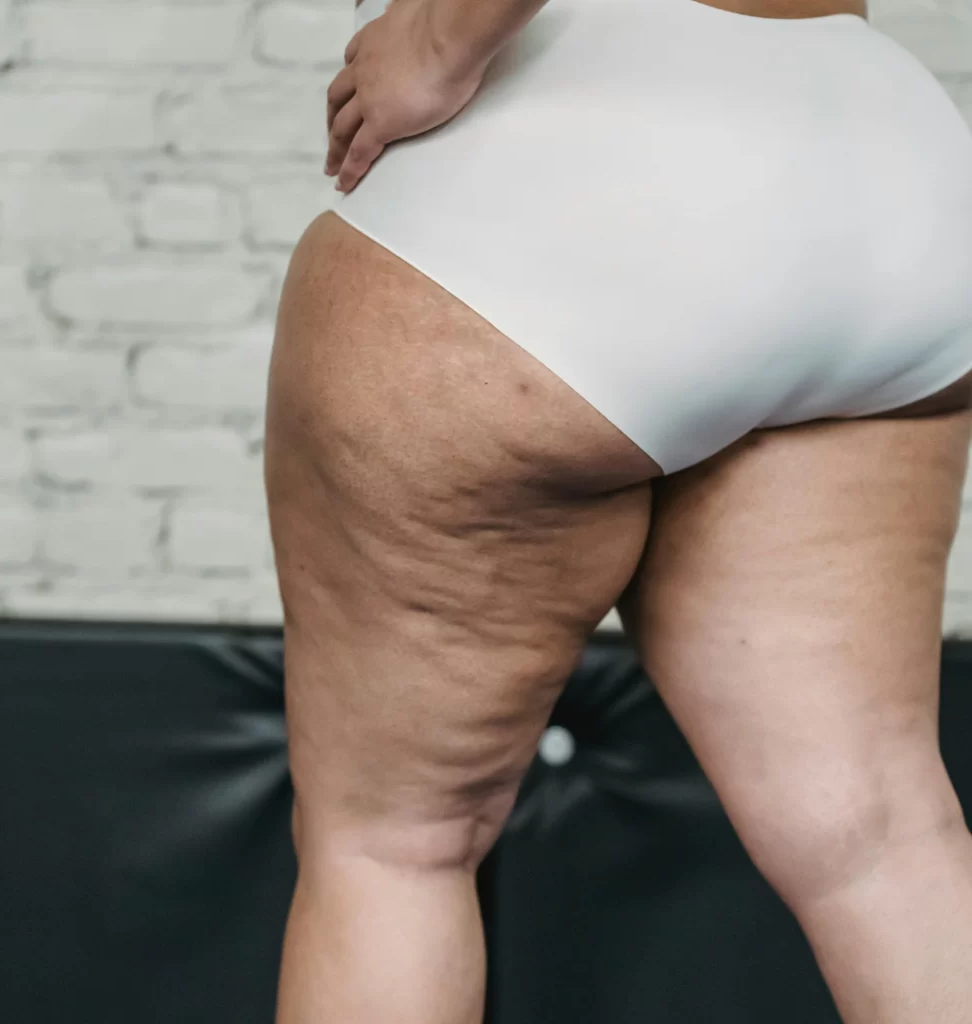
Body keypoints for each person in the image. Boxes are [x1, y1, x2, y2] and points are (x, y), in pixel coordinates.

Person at [264, 0, 972, 1019]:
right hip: (884, 161)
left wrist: (437, 40)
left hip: (579, 144)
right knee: (882, 835)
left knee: (393, 846)